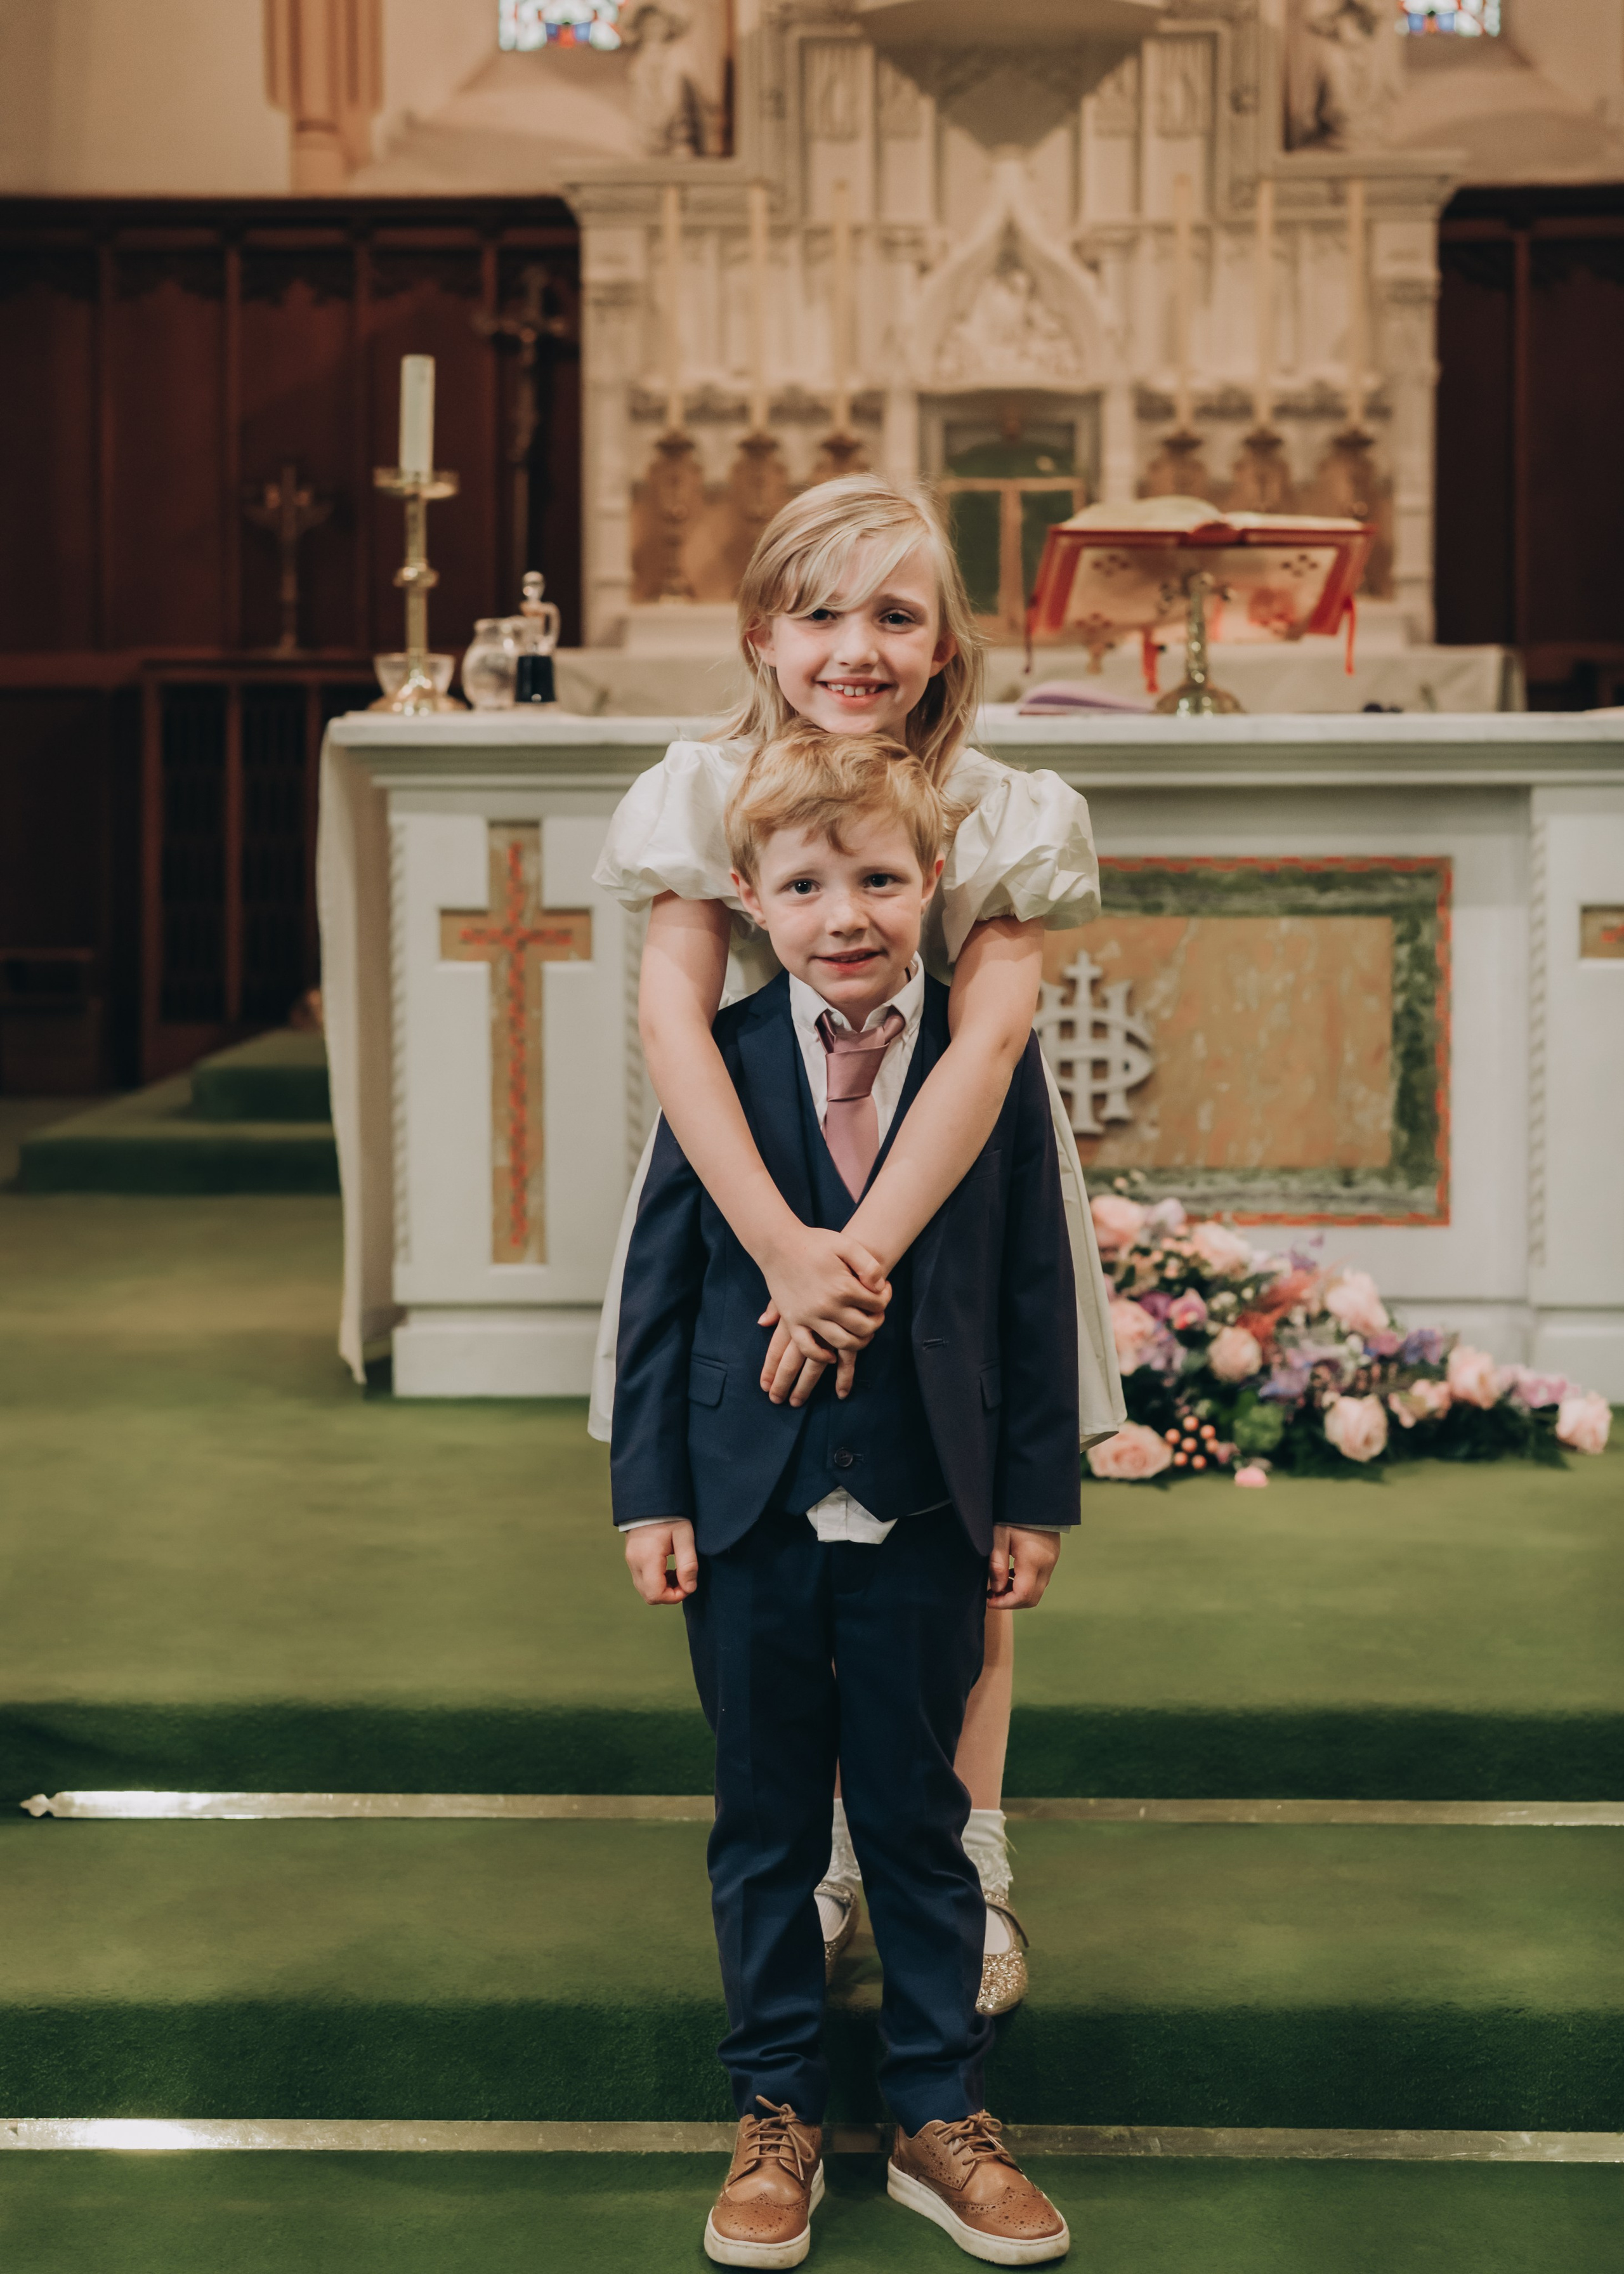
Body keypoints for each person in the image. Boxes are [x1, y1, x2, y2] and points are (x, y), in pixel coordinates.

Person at [590, 475, 1123, 2011]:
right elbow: (672, 1021)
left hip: (945, 1196)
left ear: (947, 644)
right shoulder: (704, 789)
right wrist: (779, 1248)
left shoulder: (1002, 808)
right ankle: (824, 1866)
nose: (856, 646)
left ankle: (972, 1856)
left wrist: (857, 1254)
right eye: (822, 612)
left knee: (950, 1539)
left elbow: (993, 1037)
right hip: (752, 1181)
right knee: (784, 1534)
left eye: (896, 615)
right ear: (762, 634)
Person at [613, 729, 1076, 2267]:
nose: (846, 913)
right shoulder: (724, 1064)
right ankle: (775, 2115)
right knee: (762, 1830)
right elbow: (664, 1290)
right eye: (805, 884)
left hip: (933, 1511)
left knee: (919, 1823)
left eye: (879, 877)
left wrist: (1032, 1496)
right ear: (747, 894)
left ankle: (942, 2113)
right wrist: (647, 1495)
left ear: (932, 879)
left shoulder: (976, 1068)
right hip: (744, 1512)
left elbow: (1026, 1294)